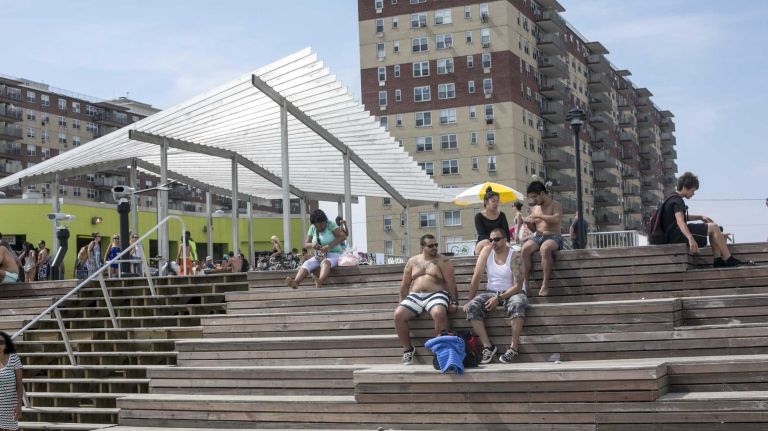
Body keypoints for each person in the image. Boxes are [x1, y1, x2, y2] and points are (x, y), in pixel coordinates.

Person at [661, 172, 753, 267]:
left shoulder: (672, 198)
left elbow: (680, 218)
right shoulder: (677, 201)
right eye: (692, 191)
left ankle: (718, 260)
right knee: (713, 227)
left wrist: (700, 217)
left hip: (673, 234)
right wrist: (690, 239)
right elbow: (680, 221)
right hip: (676, 235)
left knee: (716, 228)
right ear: (684, 187)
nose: (693, 194)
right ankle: (728, 258)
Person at [464, 228, 527, 364]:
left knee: (518, 304)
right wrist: (469, 300)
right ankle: (488, 346)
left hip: (512, 292)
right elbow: (477, 276)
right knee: (472, 307)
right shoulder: (486, 251)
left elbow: (518, 286)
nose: (493, 242)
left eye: (497, 239)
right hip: (491, 291)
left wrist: (498, 298)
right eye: (491, 239)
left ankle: (514, 347)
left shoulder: (515, 256)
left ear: (505, 240)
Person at [394, 234, 459, 365]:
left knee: (439, 313)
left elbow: (451, 282)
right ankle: (408, 350)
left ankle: (441, 350)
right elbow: (405, 285)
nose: (434, 248)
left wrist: (454, 301)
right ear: (422, 247)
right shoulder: (413, 261)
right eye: (430, 246)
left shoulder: (443, 261)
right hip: (416, 296)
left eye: (436, 245)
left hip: (437, 294)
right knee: (398, 315)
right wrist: (401, 301)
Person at [285, 209, 347, 289]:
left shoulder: (331, 224)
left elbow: (343, 236)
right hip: (319, 256)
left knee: (326, 262)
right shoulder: (312, 228)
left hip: (334, 254)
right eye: (316, 226)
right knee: (307, 264)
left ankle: (320, 281)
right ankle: (296, 282)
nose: (319, 228)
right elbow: (306, 244)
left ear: (325, 221)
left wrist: (329, 246)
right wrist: (313, 245)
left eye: (320, 226)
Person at [521, 181, 563, 297]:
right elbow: (535, 229)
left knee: (545, 248)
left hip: (553, 236)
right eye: (531, 197)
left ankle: (545, 284)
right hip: (538, 236)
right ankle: (525, 283)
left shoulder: (555, 205)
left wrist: (539, 216)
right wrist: (528, 223)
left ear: (542, 194)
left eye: (534, 197)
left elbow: (556, 220)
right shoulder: (535, 208)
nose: (533, 200)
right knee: (525, 249)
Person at [474, 187, 510, 255]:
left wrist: (505, 242)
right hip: (484, 244)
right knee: (487, 242)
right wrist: (495, 241)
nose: (496, 203)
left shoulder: (502, 215)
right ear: (486, 202)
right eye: (493, 201)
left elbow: (506, 234)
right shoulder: (479, 216)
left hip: (499, 243)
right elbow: (482, 235)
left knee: (508, 246)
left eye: (497, 201)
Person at [0, 331, 23, 430]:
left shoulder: (13, 358)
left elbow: (19, 385)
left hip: (10, 407)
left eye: (1, 342)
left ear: (6, 344)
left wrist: (19, 405)